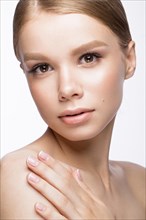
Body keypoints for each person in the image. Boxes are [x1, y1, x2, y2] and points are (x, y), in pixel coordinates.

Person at [1, 0, 145, 219]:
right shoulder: (29, 176)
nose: (67, 89)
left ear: (129, 59)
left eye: (88, 58)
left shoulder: (139, 182)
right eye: (42, 68)